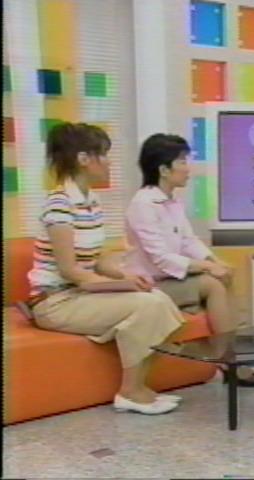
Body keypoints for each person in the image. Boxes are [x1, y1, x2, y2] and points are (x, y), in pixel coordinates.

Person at [27, 122, 184, 415]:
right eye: (104, 154)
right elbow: (71, 271)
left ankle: (138, 387)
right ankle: (130, 392)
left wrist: (127, 275)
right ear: (83, 159)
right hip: (55, 301)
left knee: (159, 299)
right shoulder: (59, 205)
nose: (109, 162)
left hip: (80, 294)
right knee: (147, 306)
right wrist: (123, 285)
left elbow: (95, 260)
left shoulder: (91, 201)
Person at [122, 133, 254, 387]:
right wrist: (208, 267)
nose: (188, 168)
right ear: (163, 170)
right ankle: (227, 361)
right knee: (212, 284)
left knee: (225, 275)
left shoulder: (172, 201)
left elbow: (188, 241)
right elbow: (161, 258)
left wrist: (214, 261)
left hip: (172, 278)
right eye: (182, 162)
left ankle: (234, 359)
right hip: (151, 283)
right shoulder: (143, 205)